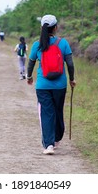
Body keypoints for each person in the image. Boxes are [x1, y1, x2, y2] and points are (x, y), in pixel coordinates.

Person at [26, 14, 76, 155]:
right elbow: (70, 64)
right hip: (60, 85)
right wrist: (72, 79)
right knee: (58, 110)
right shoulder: (63, 43)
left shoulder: (37, 45)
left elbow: (31, 63)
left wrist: (29, 77)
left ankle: (49, 144)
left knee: (47, 113)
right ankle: (57, 138)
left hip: (43, 85)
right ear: (55, 27)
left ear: (41, 27)